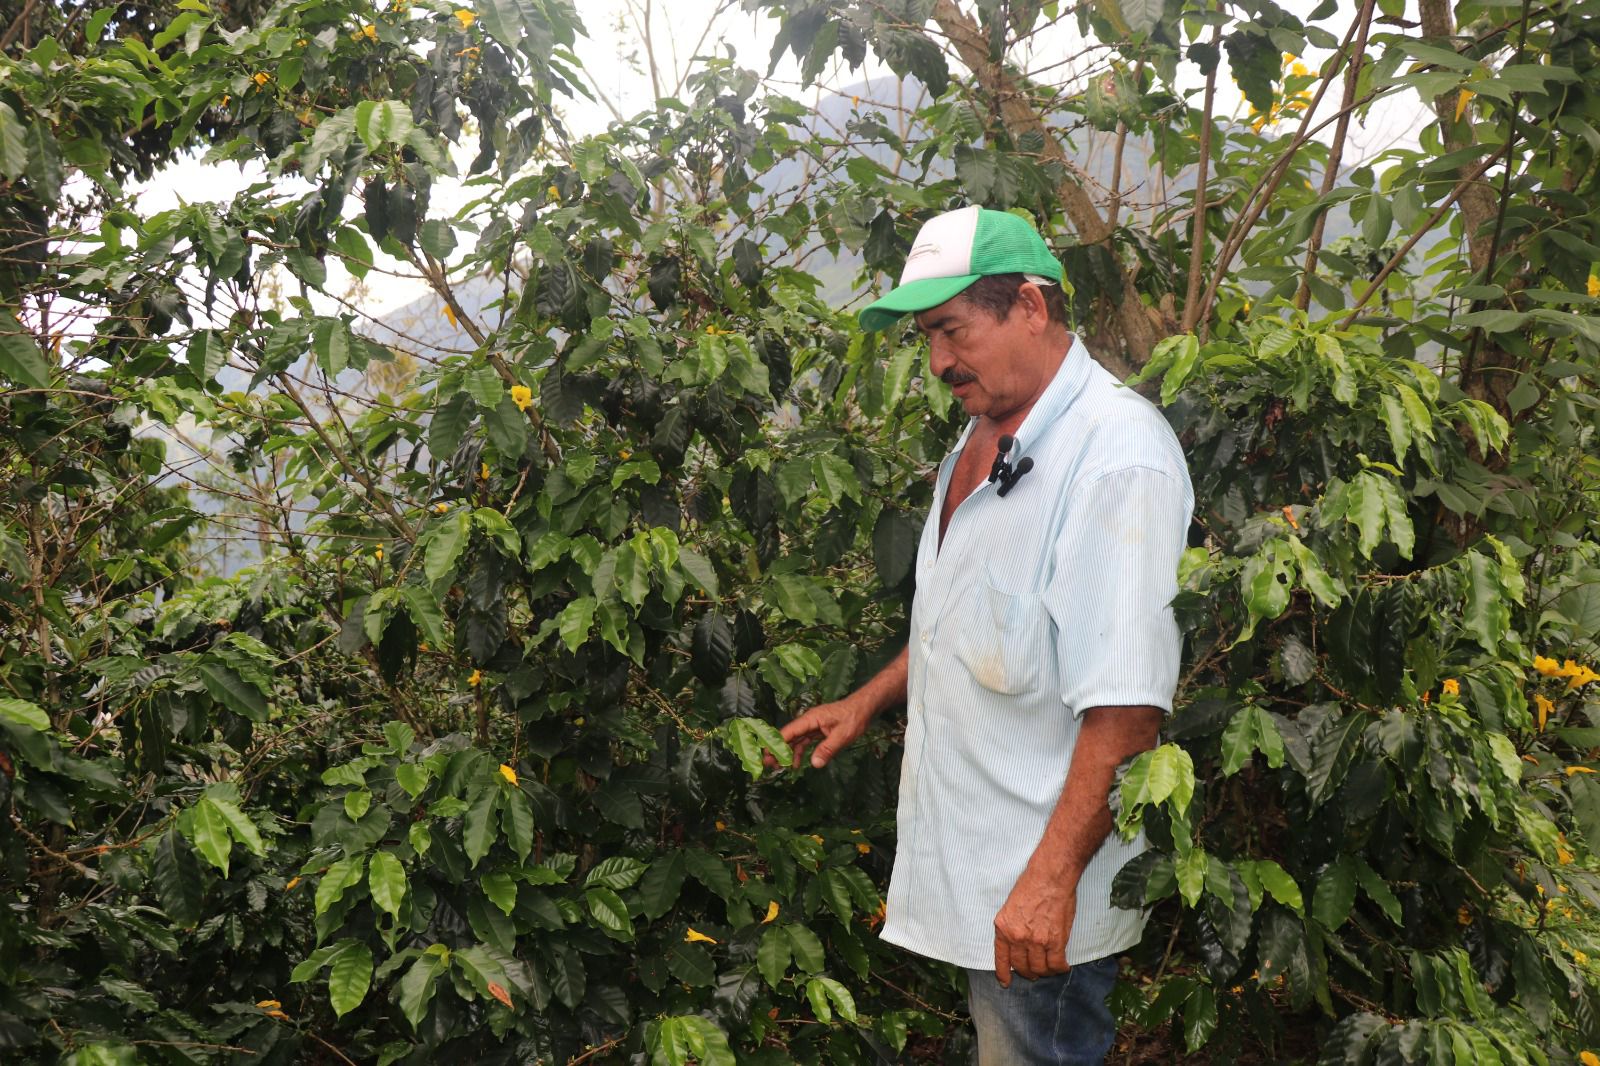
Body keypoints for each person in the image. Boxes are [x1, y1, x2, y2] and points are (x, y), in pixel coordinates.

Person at [778, 205, 1193, 1065]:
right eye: (926, 338)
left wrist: (1049, 883)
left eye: (952, 331)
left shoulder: (1114, 456)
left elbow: (1127, 711)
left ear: (1032, 308)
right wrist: (870, 698)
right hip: (978, 867)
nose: (937, 362)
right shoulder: (979, 437)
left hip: (1040, 895)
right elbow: (964, 616)